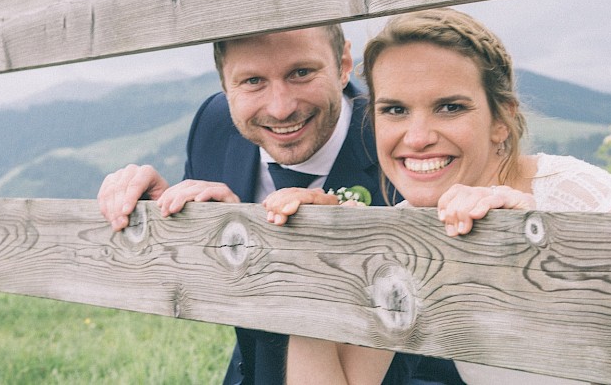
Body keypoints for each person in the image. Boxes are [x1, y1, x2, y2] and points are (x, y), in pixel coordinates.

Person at [264, 8, 611, 385]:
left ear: (502, 120)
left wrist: (541, 239)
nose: (417, 138)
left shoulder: (584, 199)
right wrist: (317, 262)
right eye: (395, 109)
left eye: (449, 108)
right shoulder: (409, 227)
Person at [98, 25, 464, 385]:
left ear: (343, 64)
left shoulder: (408, 145)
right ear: (225, 85)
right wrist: (183, 221)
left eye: (301, 73)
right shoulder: (214, 127)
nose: (281, 108)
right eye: (253, 81)